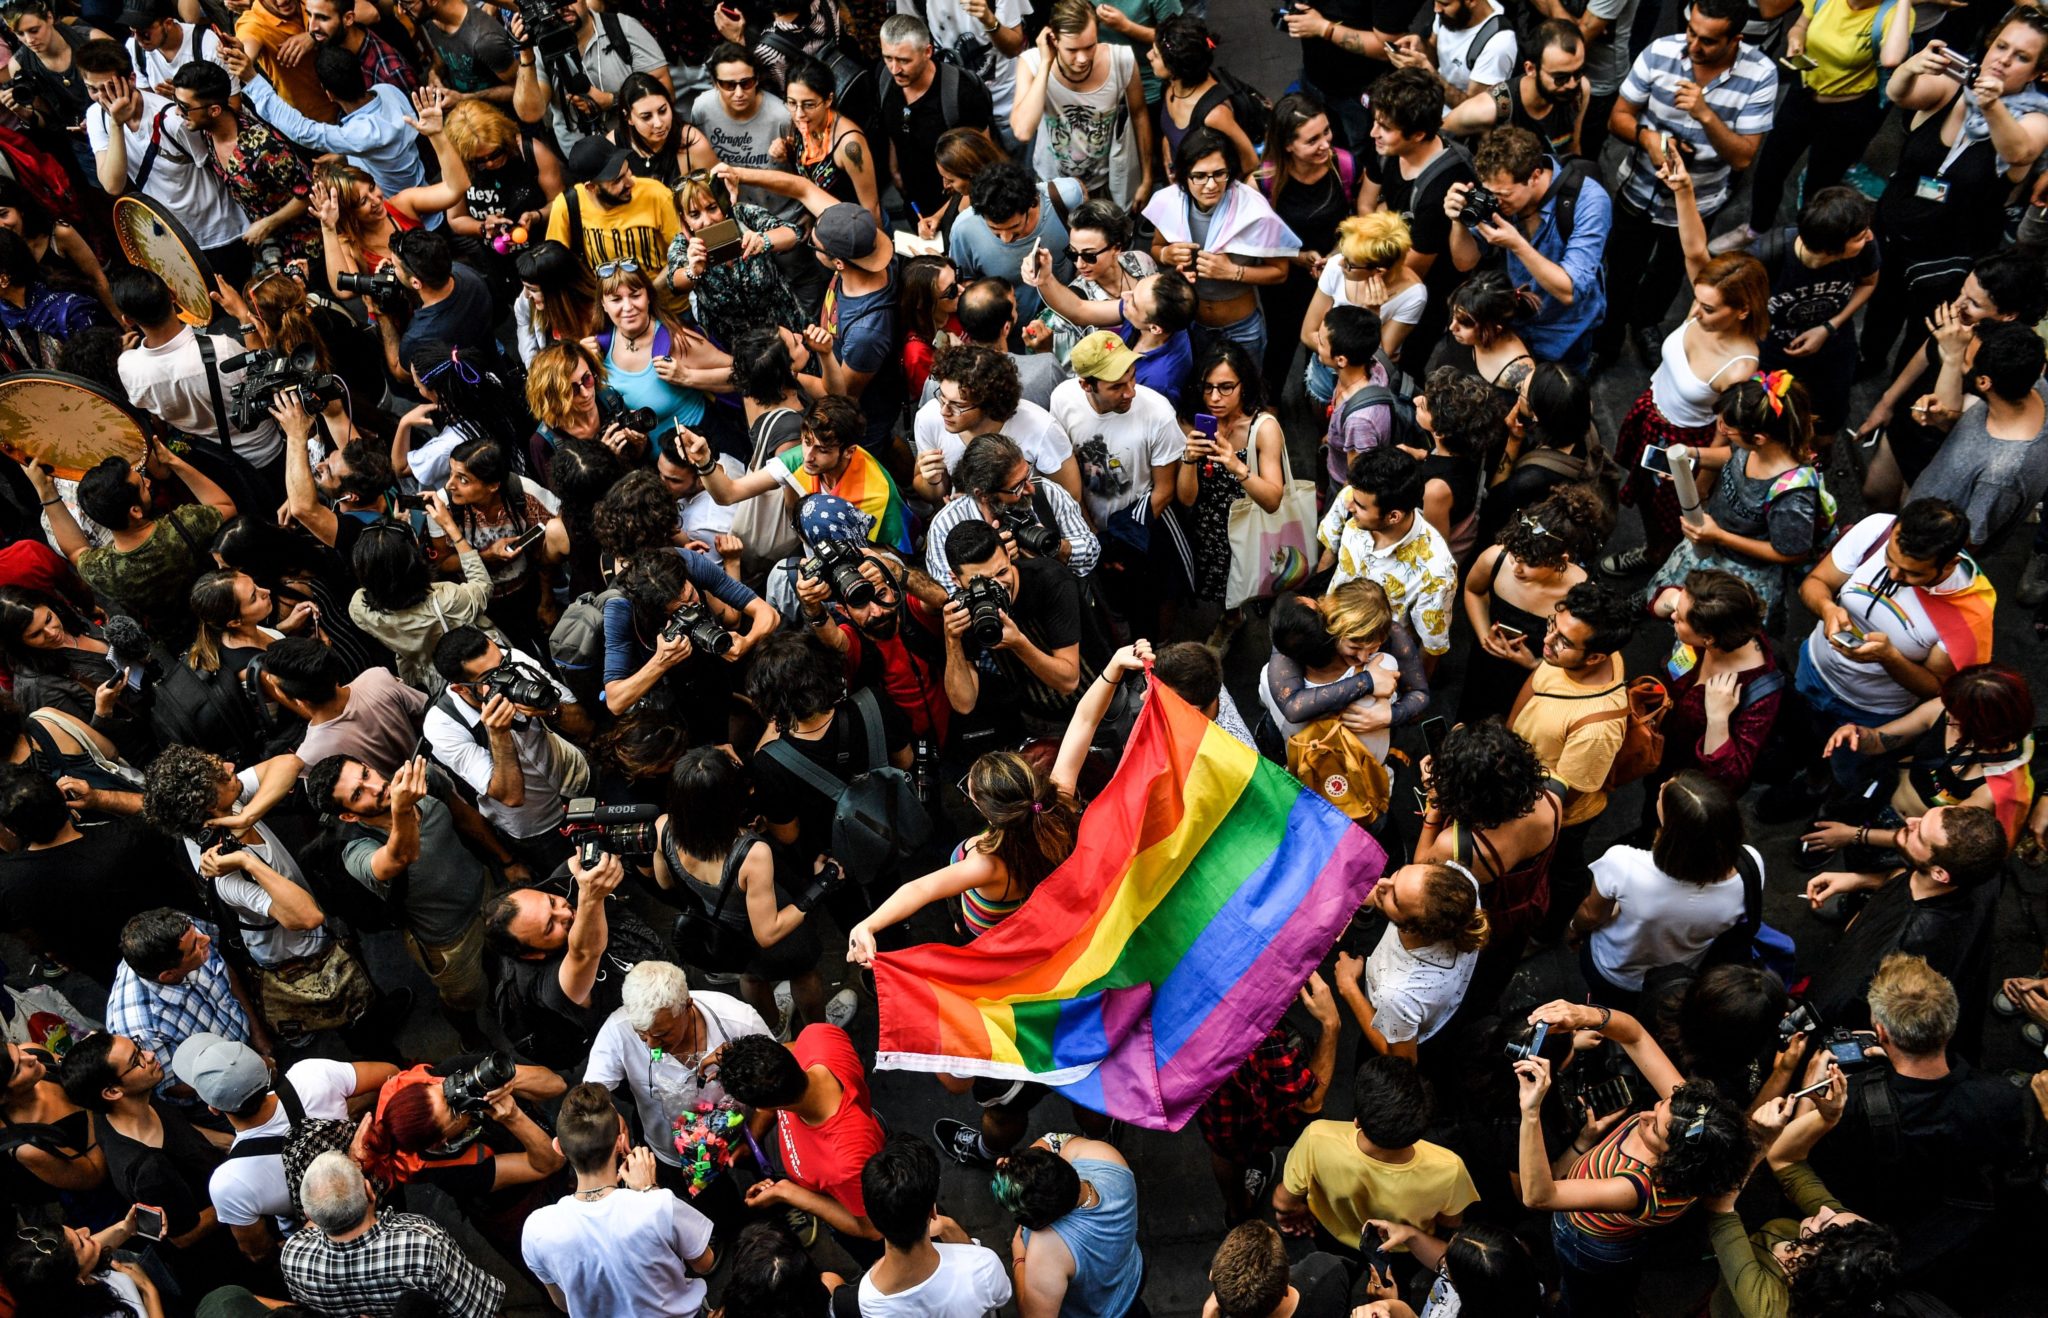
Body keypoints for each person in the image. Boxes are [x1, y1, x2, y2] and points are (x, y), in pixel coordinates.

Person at [1514, 1000, 1755, 1314]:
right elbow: (1635, 1036)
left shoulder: (1638, 1185)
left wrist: (1530, 1112)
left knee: (1582, 1292)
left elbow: (1539, 1197)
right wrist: (1585, 1015)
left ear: (1674, 1160)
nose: (1643, 1115)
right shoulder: (1689, 1122)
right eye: (1658, 1106)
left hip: (1586, 1239)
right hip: (1622, 1235)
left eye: (1654, 1129)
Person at [1807, 953, 2027, 1287]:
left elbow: (1805, 1160)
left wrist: (1812, 1088)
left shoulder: (1852, 1104)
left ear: (1881, 1032)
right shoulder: (2002, 1095)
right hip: (1954, 1229)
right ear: (1950, 1025)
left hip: (1876, 1217)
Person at [1603, 155, 1768, 578]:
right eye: (1697, 297)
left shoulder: (1740, 369)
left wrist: (1695, 478)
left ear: (1743, 311)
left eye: (1709, 308)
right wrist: (1684, 190)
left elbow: (1730, 447)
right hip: (1651, 412)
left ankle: (1657, 560)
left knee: (1667, 518)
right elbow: (1694, 248)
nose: (1695, 309)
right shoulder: (1708, 298)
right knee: (1640, 491)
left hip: (1683, 441)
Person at [1859, 12, 2048, 376]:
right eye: (2001, 45)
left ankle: (1899, 395)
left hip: (1949, 257)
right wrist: (1911, 67)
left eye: (2021, 57)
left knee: (1927, 330)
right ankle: (1868, 361)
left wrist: (1991, 106)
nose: (2003, 59)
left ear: (2040, 72)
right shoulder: (1953, 86)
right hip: (1894, 229)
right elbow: (1900, 95)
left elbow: (2018, 152)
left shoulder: (2036, 119)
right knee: (1881, 308)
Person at [1596, 0, 1775, 366]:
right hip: (1640, 189)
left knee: (1670, 272)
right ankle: (1607, 339)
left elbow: (1742, 156)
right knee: (1620, 270)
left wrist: (1705, 113)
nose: (1693, 45)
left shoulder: (1761, 74)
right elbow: (1618, 118)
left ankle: (1646, 323)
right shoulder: (1660, 52)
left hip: (1699, 202)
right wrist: (1648, 140)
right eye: (1691, 31)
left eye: (1708, 40)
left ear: (1735, 39)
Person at [306, 753, 494, 1045]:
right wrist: (403, 810)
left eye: (366, 774)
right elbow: (400, 857)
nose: (375, 787)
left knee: (502, 959)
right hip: (448, 940)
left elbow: (463, 817)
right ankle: (470, 1038)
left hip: (485, 891)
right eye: (358, 794)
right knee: (463, 999)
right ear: (349, 815)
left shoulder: (423, 782)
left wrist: (506, 861)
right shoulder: (355, 850)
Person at [649, 745, 835, 1028]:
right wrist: (821, 885)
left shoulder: (663, 827)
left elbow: (664, 881)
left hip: (725, 935)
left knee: (751, 977)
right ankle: (818, 1033)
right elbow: (768, 933)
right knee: (804, 974)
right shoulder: (752, 854)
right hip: (771, 935)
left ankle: (774, 1030)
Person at [177, 1032, 394, 1263]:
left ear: (214, 1109)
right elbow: (391, 1075)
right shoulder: (311, 1074)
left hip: (331, 1247)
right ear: (265, 1069)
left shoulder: (229, 1182)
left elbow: (258, 1251)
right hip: (381, 1189)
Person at [1803, 804, 2006, 1036]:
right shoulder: (1982, 871)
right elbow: (1912, 878)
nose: (1911, 822)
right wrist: (1859, 880)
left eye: (1919, 834)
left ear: (1940, 873)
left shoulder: (1904, 945)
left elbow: (1839, 1000)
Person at [520, 1081, 716, 1317]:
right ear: (620, 1142)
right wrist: (650, 1190)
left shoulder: (536, 1229)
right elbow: (704, 1263)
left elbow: (563, 1303)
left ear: (559, 1147)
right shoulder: (657, 1205)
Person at [1509, 578, 1638, 937]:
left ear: (1596, 657)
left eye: (1563, 641)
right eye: (1553, 624)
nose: (1547, 641)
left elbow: (1572, 792)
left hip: (1558, 817)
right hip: (1523, 775)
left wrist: (1527, 828)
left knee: (1558, 873)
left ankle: (1548, 931)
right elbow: (1537, 683)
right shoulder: (1567, 656)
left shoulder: (1598, 727)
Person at [1647, 371, 1830, 616]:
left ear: (1759, 438)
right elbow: (1733, 456)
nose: (1720, 430)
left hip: (1739, 574)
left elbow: (1791, 553)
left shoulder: (1793, 496)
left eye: (1727, 428)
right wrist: (1692, 455)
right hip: (1709, 545)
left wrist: (1720, 536)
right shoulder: (1756, 448)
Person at [56, 1031, 233, 1284]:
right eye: (136, 1059)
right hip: (224, 1251)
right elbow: (184, 1236)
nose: (150, 1055)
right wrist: (242, 1195)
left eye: (139, 1047)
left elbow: (183, 1131)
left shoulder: (134, 1100)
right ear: (113, 1092)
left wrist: (232, 1143)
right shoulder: (147, 1169)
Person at [1414, 718, 1561, 1017]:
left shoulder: (1458, 846)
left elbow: (1421, 870)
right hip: (1529, 904)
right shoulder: (1552, 797)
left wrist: (1434, 803)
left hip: (1487, 919)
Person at [1569, 770, 1751, 1011]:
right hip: (1679, 973)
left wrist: (1573, 929)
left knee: (1604, 1009)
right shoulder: (1751, 866)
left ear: (1673, 830)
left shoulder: (1624, 863)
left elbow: (1592, 915)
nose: (1664, 784)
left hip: (1615, 970)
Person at [582, 959, 772, 1186]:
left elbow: (778, 1080)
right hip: (674, 1156)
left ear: (687, 1006)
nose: (652, 1044)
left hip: (746, 1135)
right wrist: (607, 1111)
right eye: (643, 1035)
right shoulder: (617, 1030)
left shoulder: (739, 1021)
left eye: (662, 1034)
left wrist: (753, 1138)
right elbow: (591, 1092)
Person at [1273, 1055, 1479, 1264]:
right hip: (1401, 1249)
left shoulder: (1317, 1137)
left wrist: (1291, 1211)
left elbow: (1283, 1200)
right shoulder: (1449, 1168)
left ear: (1357, 1121)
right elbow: (1450, 1223)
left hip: (1331, 1235)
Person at [1445, 126, 1610, 370]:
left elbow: (1570, 291)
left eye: (1503, 194)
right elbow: (1464, 262)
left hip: (1565, 333)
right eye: (1489, 193)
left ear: (1534, 176)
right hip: (1514, 320)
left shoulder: (1589, 201)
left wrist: (1517, 244)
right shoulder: (1498, 193)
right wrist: (1458, 222)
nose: (1496, 202)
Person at [720, 1027, 887, 1257]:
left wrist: (787, 1193)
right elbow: (782, 1061)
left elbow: (873, 1229)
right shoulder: (817, 1037)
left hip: (849, 1200)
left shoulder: (844, 1165)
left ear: (763, 1107)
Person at [283, 1150, 506, 1317]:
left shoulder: (294, 1258)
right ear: (370, 1191)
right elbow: (480, 1311)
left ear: (309, 1215)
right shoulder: (422, 1242)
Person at [1146, 128, 1299, 366]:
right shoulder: (1170, 203)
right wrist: (1167, 254)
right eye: (1200, 175)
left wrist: (1232, 272)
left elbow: (1280, 272)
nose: (1211, 185)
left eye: (1219, 174)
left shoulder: (1253, 210)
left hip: (1241, 328)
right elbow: (1156, 248)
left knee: (1246, 394)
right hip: (1192, 324)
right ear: (1184, 176)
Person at [1175, 342, 1289, 635]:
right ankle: (1232, 618)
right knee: (1224, 587)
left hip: (1253, 527)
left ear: (1244, 385)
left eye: (1226, 387)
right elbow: (1187, 499)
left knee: (1259, 581)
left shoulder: (1263, 428)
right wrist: (1188, 459)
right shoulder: (1192, 422)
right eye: (1208, 387)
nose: (1215, 397)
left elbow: (1273, 499)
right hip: (1211, 527)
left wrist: (1236, 466)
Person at [1646, 568, 1784, 802]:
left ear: (1708, 638)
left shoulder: (1759, 692)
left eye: (1679, 619)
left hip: (1686, 782)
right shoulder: (1718, 616)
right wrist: (1671, 600)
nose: (1672, 618)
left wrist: (1717, 719)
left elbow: (1729, 777)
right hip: (1662, 749)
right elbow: (1659, 604)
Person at [1912, 318, 2048, 551]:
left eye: (1965, 355)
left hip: (1924, 547)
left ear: (1984, 382)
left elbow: (1969, 541)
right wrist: (1947, 420)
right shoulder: (2035, 385)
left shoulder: (2001, 475)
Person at [1316, 448, 1460, 668]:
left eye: (1361, 507)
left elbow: (1431, 646)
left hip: (1373, 659)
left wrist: (1413, 691)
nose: (1348, 505)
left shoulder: (1435, 571)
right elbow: (1330, 550)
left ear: (1393, 516)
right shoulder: (1353, 498)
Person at [1333, 863, 1490, 1060]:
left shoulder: (1398, 994)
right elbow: (1406, 894)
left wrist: (1348, 986)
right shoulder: (1462, 888)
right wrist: (1357, 898)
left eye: (1395, 899)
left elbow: (1400, 1059)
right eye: (1397, 875)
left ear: (1412, 928)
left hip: (1403, 1029)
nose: (1381, 882)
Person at [1458, 491, 1592, 722]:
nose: (1516, 569)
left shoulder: (1580, 594)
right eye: (1514, 556)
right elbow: (1473, 591)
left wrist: (1536, 665)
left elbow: (1582, 658)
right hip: (1487, 661)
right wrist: (1483, 635)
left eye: (1529, 563)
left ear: (1562, 559)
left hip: (1537, 677)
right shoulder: (1495, 560)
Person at [104, 912, 267, 1097]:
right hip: (224, 1092)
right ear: (168, 975)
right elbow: (172, 1085)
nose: (205, 939)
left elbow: (223, 970)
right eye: (194, 947)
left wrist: (258, 1033)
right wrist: (247, 1073)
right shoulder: (143, 1029)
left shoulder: (185, 934)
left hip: (251, 1049)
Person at [1014, 0, 1153, 208]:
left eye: (1090, 46)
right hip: (1052, 184)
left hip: (1105, 184)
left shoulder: (1121, 60)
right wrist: (1045, 64)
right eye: (1072, 49)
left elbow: (1140, 115)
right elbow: (1023, 131)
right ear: (1053, 39)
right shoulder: (1032, 62)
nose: (1082, 58)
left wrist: (1147, 178)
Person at [922, 433, 1099, 593]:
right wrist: (997, 566)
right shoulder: (946, 526)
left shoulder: (1047, 494)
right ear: (983, 495)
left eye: (1027, 474)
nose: (1031, 489)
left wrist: (1057, 548)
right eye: (1017, 487)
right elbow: (951, 596)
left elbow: (1091, 550)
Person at [912, 343, 1083, 508]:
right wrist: (933, 481)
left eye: (959, 405)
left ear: (989, 404)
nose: (944, 411)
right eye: (941, 397)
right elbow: (929, 493)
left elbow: (1071, 496)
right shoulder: (928, 420)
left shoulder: (1041, 428)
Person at [858, 1135, 1014, 1314]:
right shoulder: (984, 1266)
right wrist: (949, 1227)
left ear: (871, 1217)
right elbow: (1002, 1297)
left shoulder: (868, 1298)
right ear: (933, 1211)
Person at [1000, 1134, 1145, 1318]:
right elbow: (1053, 1140)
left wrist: (1019, 1260)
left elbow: (1033, 1315)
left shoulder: (1046, 1250)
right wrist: (1025, 1167)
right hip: (1132, 1276)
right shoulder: (1102, 1155)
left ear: (1037, 1221)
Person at [663, 170, 804, 349]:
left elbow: (792, 233)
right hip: (737, 350)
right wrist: (693, 270)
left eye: (712, 208)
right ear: (685, 219)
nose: (707, 221)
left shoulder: (742, 215)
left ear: (722, 202)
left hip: (787, 335)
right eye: (695, 215)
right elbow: (675, 283)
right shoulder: (684, 244)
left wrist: (763, 240)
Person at [511, 0, 671, 152]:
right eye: (554, 2)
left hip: (637, 147)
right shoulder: (541, 49)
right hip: (586, 163)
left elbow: (665, 91)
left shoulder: (621, 28)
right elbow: (530, 113)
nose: (563, 7)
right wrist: (525, 53)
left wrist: (613, 101)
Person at [1299, 212, 1425, 404]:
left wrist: (1370, 316)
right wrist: (1345, 356)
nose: (1340, 262)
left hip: (1364, 384)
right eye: (1343, 254)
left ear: (1379, 270)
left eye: (1349, 264)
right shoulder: (1335, 266)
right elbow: (1308, 333)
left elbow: (1379, 360)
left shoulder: (1413, 295)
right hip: (1325, 369)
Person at [877, 15, 996, 219]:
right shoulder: (885, 80)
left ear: (928, 52)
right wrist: (895, 171)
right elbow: (892, 130)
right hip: (914, 199)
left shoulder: (961, 93)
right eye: (888, 58)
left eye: (904, 60)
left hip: (957, 205)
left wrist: (940, 216)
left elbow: (983, 166)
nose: (895, 69)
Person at [951, 158, 1086, 325]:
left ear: (1031, 204)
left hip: (1072, 318)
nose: (1006, 239)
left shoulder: (1065, 197)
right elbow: (965, 282)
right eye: (995, 230)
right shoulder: (964, 229)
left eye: (1014, 227)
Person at [1445, 18, 1589, 155]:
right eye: (1560, 78)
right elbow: (1437, 136)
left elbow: (1572, 148)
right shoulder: (1491, 108)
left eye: (1578, 73)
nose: (1572, 84)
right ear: (1531, 69)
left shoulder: (1581, 90)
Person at [544, 135, 685, 271]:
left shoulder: (656, 194)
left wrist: (651, 291)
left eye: (627, 171)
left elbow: (684, 252)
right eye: (617, 181)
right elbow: (555, 267)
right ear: (591, 187)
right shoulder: (567, 205)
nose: (630, 183)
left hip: (661, 292)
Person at [1150, 17, 1259, 177]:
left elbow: (1250, 163)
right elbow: (1171, 132)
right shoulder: (1170, 85)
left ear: (1175, 68)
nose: (1149, 56)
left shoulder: (1215, 114)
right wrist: (1168, 151)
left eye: (1156, 54)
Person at [1, 1214, 165, 1318]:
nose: (86, 1231)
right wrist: (148, 1290)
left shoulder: (61, 1279)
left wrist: (125, 1228)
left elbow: (78, 1254)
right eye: (81, 1241)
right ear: (76, 1279)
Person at [305, 0, 417, 93]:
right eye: (309, 15)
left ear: (348, 19)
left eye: (323, 18)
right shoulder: (336, 50)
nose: (311, 28)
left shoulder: (389, 73)